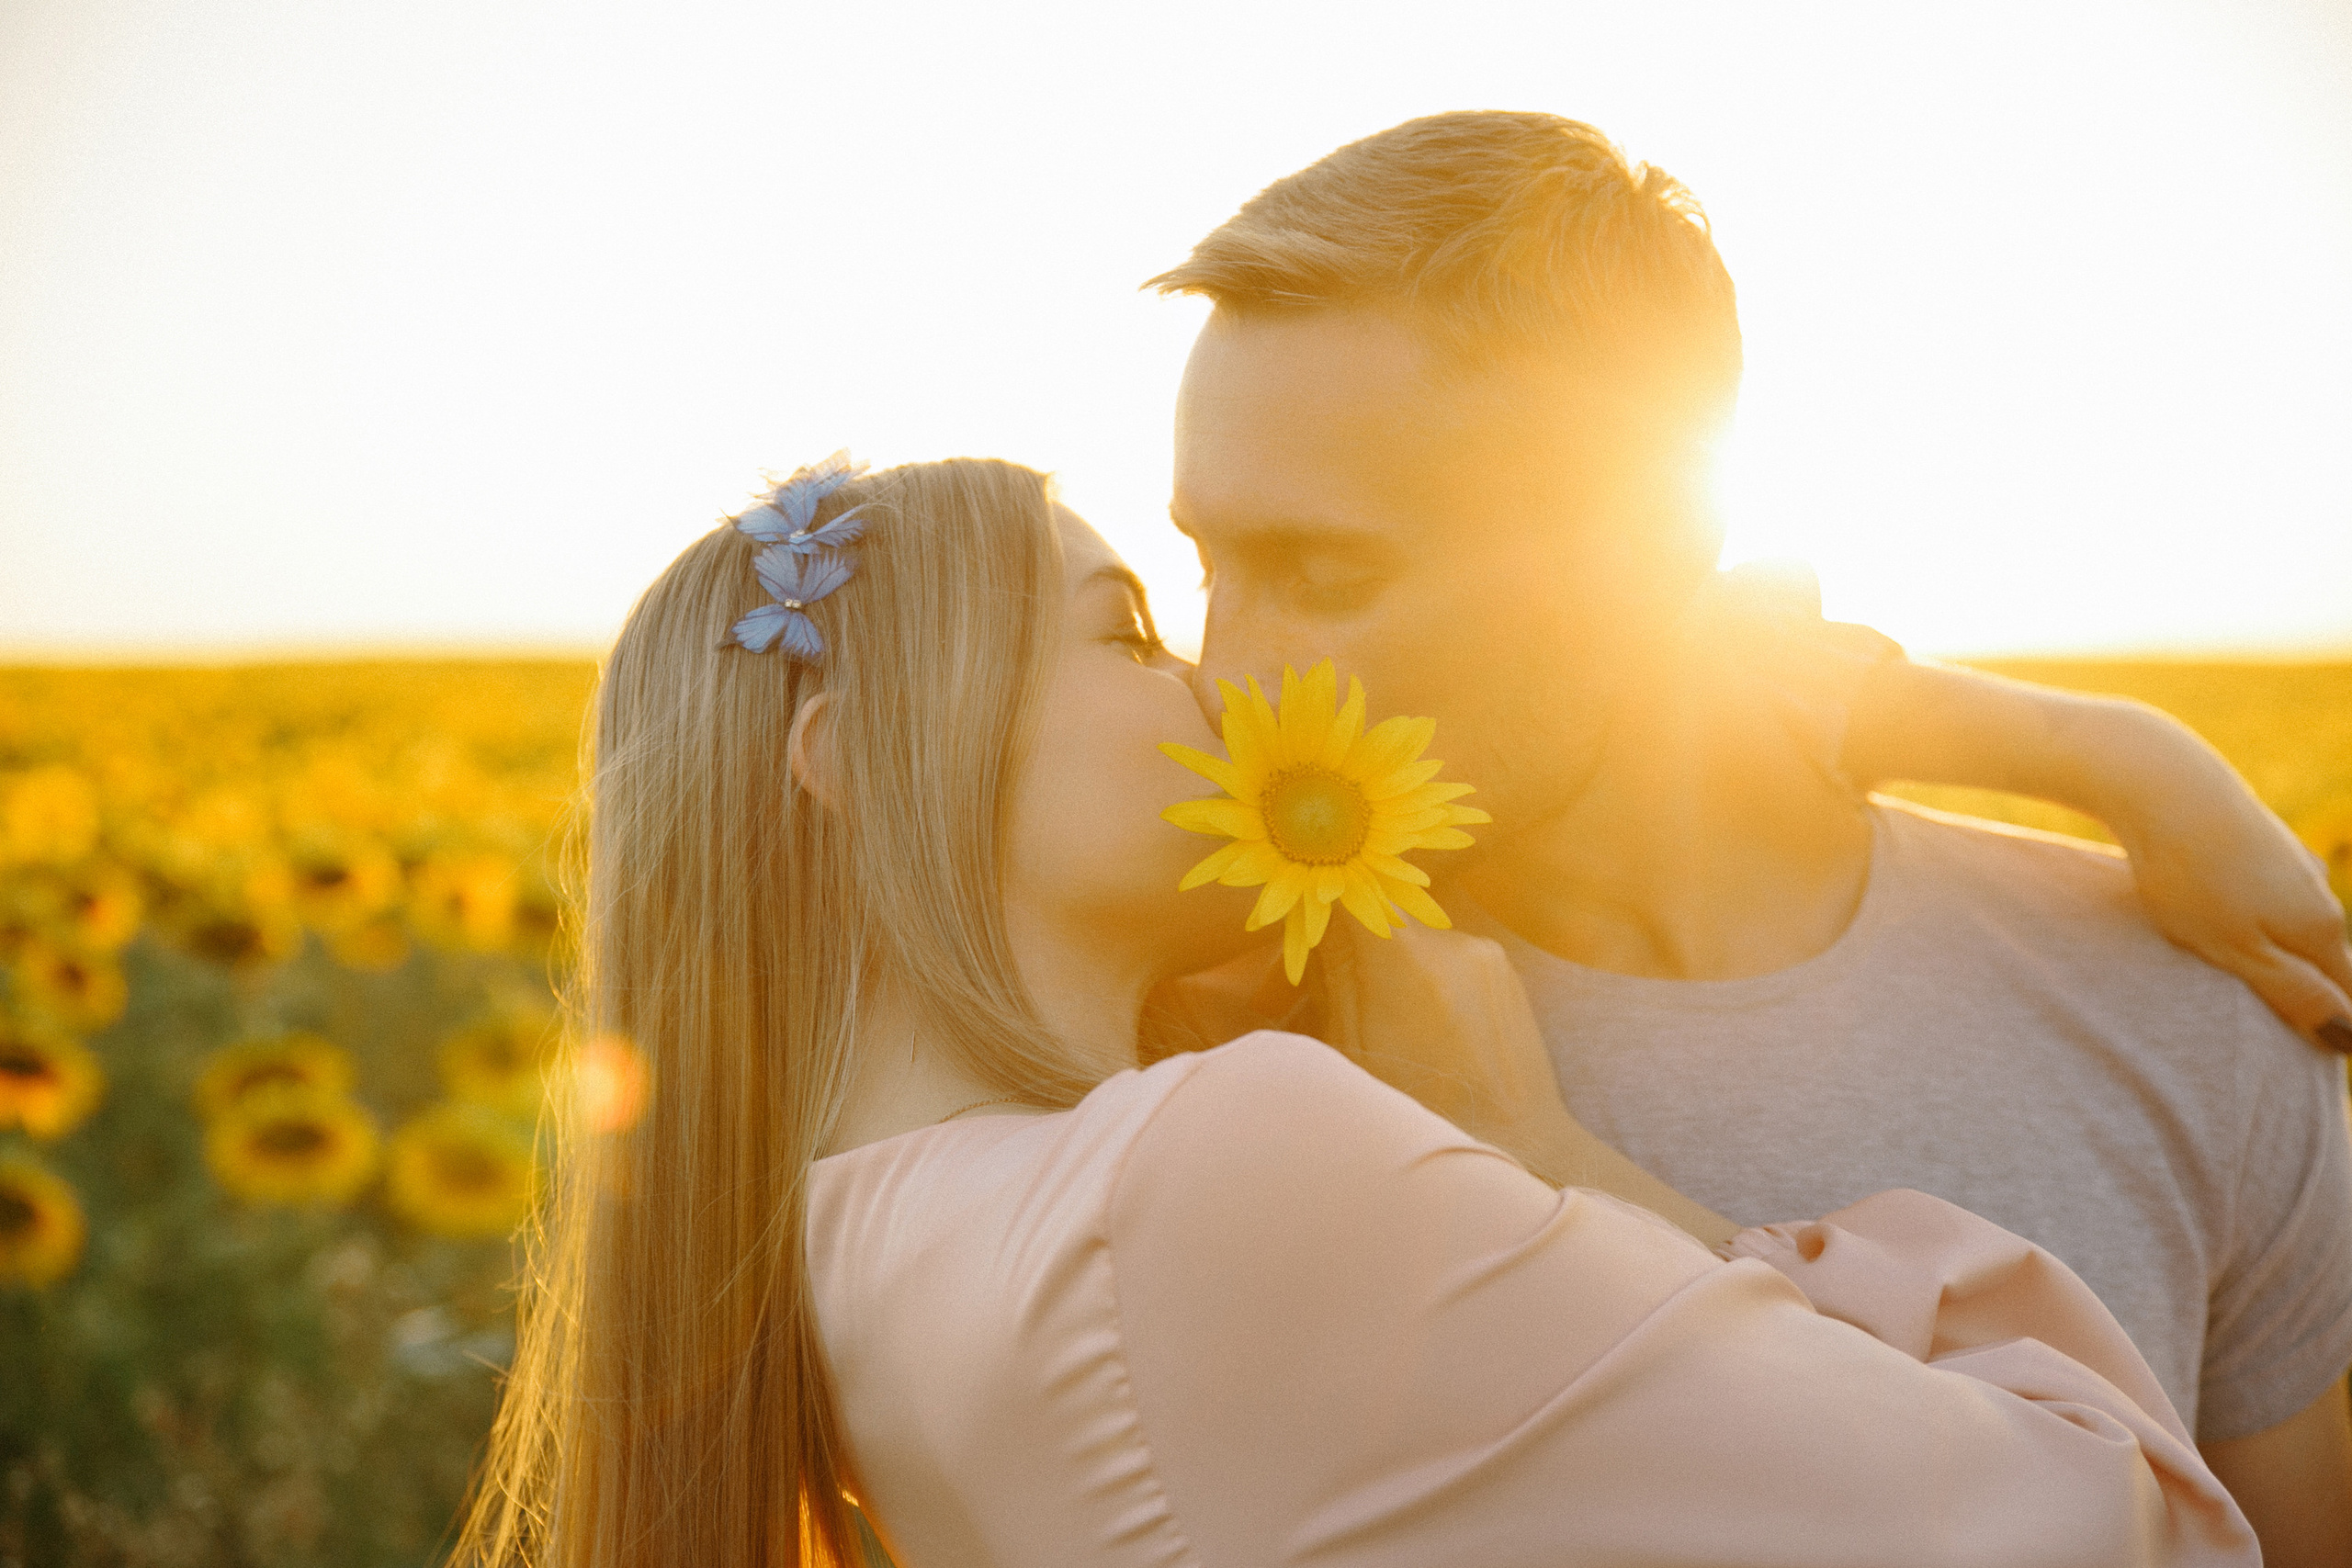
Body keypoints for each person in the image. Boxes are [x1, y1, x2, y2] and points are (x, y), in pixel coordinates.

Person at [456, 454, 2257, 1567]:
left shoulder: (851, 1253)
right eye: (1128, 633)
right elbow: (2126, 1529)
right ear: (850, 762)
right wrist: (1541, 1147)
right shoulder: (1215, 1159)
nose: (1235, 682)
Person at [1149, 109, 2352, 1562]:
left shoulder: (2181, 1020)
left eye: (1322, 573)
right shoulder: (1214, 1052)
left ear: (1643, 542)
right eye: (1205, 564)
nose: (1228, 675)